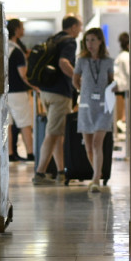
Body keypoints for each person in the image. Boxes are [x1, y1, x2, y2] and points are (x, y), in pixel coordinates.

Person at [33, 15, 82, 186]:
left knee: (57, 134)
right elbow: (63, 63)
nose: (80, 30)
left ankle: (61, 172)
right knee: (53, 133)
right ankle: (39, 173)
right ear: (74, 27)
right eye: (80, 26)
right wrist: (77, 79)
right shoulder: (69, 42)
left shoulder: (54, 39)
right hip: (60, 94)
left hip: (46, 92)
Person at [72, 27, 115, 192]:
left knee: (98, 142)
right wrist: (82, 91)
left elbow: (111, 80)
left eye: (93, 40)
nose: (90, 44)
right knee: (88, 146)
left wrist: (112, 87)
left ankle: (96, 178)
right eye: (87, 40)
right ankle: (98, 172)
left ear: (100, 42)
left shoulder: (108, 61)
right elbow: (75, 79)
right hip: (86, 106)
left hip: (103, 107)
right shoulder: (81, 60)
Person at [5, 18, 34, 162]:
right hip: (18, 92)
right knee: (24, 123)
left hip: (4, 93)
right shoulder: (17, 51)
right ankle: (30, 153)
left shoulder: (4, 48)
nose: (24, 30)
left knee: (8, 124)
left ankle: (10, 154)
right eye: (22, 27)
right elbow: (23, 75)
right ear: (16, 30)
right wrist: (35, 86)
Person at [113, 32, 130, 137]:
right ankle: (122, 125)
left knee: (122, 110)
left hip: (119, 86)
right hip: (125, 87)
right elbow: (130, 72)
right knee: (124, 111)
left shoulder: (120, 56)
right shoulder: (127, 56)